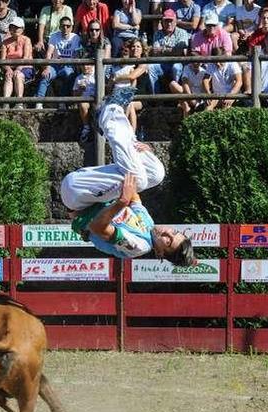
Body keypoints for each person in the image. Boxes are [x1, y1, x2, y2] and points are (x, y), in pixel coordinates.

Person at [60, 93, 197, 267]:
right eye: (174, 232)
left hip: (77, 196)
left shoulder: (138, 246)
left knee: (138, 179)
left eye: (168, 241)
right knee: (156, 174)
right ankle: (128, 137)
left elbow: (97, 228)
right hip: (90, 187)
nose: (166, 233)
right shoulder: (149, 225)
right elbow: (134, 196)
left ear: (160, 253)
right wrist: (145, 155)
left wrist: (122, 201)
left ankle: (107, 114)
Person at [35, 16, 81, 107]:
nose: (65, 28)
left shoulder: (75, 37)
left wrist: (69, 63)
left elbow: (75, 55)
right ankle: (39, 102)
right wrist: (47, 67)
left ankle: (62, 102)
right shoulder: (54, 36)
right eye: (63, 26)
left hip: (68, 65)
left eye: (68, 26)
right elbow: (49, 52)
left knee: (69, 75)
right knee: (46, 75)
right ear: (60, 27)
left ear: (71, 27)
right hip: (55, 64)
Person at [109, 37, 148, 134]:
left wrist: (116, 78)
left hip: (140, 97)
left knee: (129, 105)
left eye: (138, 47)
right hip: (125, 95)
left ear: (142, 49)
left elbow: (132, 76)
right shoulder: (126, 64)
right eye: (133, 46)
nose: (135, 49)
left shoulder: (143, 63)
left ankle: (131, 134)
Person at [148, 9, 190, 94]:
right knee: (151, 67)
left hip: (178, 62)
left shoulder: (182, 33)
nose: (169, 23)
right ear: (162, 22)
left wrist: (163, 49)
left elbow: (179, 51)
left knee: (176, 67)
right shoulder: (157, 33)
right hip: (162, 63)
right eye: (166, 21)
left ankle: (177, 99)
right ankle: (157, 99)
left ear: (175, 21)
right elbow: (155, 52)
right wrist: (173, 49)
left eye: (171, 21)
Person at [1, 16, 32, 108]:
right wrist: (8, 68)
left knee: (18, 75)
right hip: (10, 66)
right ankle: (5, 103)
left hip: (25, 66)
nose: (14, 29)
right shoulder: (5, 42)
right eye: (12, 27)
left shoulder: (26, 40)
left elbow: (26, 57)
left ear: (22, 29)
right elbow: (3, 59)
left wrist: (19, 68)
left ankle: (19, 102)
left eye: (17, 27)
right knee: (8, 75)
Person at [74, 63, 97, 142]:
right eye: (83, 65)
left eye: (87, 65)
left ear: (92, 66)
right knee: (82, 104)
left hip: (96, 99)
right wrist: (80, 90)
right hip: (85, 99)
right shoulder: (79, 78)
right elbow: (74, 94)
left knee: (97, 107)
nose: (85, 67)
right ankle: (86, 127)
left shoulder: (97, 75)